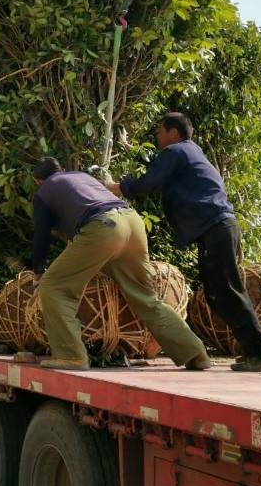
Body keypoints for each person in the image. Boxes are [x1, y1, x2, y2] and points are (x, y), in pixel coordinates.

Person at [106, 112, 261, 373]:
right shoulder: (190, 152)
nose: (157, 136)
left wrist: (113, 187)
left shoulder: (176, 152)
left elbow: (149, 182)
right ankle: (256, 351)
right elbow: (158, 170)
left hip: (215, 228)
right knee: (217, 294)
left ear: (173, 132)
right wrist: (130, 150)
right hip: (217, 228)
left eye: (160, 131)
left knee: (227, 291)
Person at [31, 156, 210, 371]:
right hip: (132, 222)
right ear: (62, 170)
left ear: (38, 181)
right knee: (146, 297)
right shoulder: (82, 177)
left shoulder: (44, 191)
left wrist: (38, 271)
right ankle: (194, 351)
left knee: (54, 286)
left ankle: (71, 356)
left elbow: (42, 235)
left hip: (103, 227)